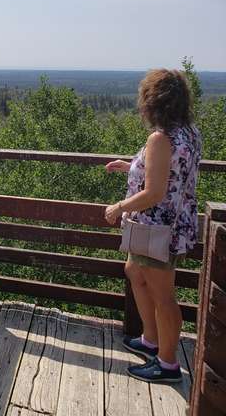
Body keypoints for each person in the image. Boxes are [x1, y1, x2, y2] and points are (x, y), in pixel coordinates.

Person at [104, 68, 202, 383]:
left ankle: (167, 363)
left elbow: (155, 193)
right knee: (134, 271)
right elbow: (170, 174)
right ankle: (150, 339)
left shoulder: (160, 138)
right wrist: (132, 166)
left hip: (156, 228)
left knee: (164, 297)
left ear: (153, 101)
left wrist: (119, 207)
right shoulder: (189, 132)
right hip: (174, 224)